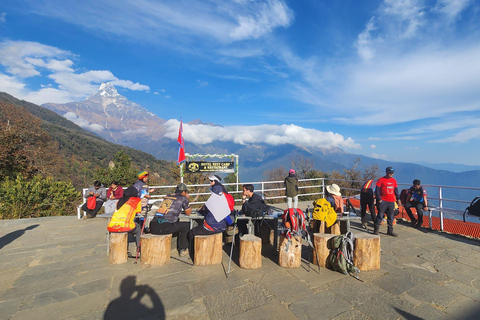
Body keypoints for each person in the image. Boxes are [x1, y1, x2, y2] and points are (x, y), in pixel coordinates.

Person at [149, 183, 192, 257]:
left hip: (153, 225)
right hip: (164, 227)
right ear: (183, 192)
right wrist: (187, 200)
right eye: (186, 192)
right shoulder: (183, 198)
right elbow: (188, 213)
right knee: (186, 225)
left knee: (177, 222)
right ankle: (183, 249)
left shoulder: (168, 196)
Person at [188, 175, 233, 239]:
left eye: (211, 181)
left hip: (211, 227)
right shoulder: (222, 197)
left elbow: (206, 210)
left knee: (192, 232)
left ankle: (190, 248)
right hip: (222, 226)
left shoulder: (213, 201)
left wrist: (202, 210)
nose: (210, 182)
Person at [107, 186, 142, 250]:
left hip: (112, 226)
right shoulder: (137, 200)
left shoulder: (120, 200)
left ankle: (123, 249)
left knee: (129, 229)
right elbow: (138, 212)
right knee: (138, 229)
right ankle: (138, 248)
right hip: (125, 226)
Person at [374, 166, 401, 237]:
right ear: (386, 172)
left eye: (392, 173)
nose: (391, 174)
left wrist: (398, 199)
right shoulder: (381, 180)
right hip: (383, 201)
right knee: (380, 215)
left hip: (391, 201)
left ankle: (390, 231)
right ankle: (376, 230)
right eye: (390, 173)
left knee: (390, 217)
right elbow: (377, 190)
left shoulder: (394, 180)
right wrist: (379, 199)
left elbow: (396, 190)